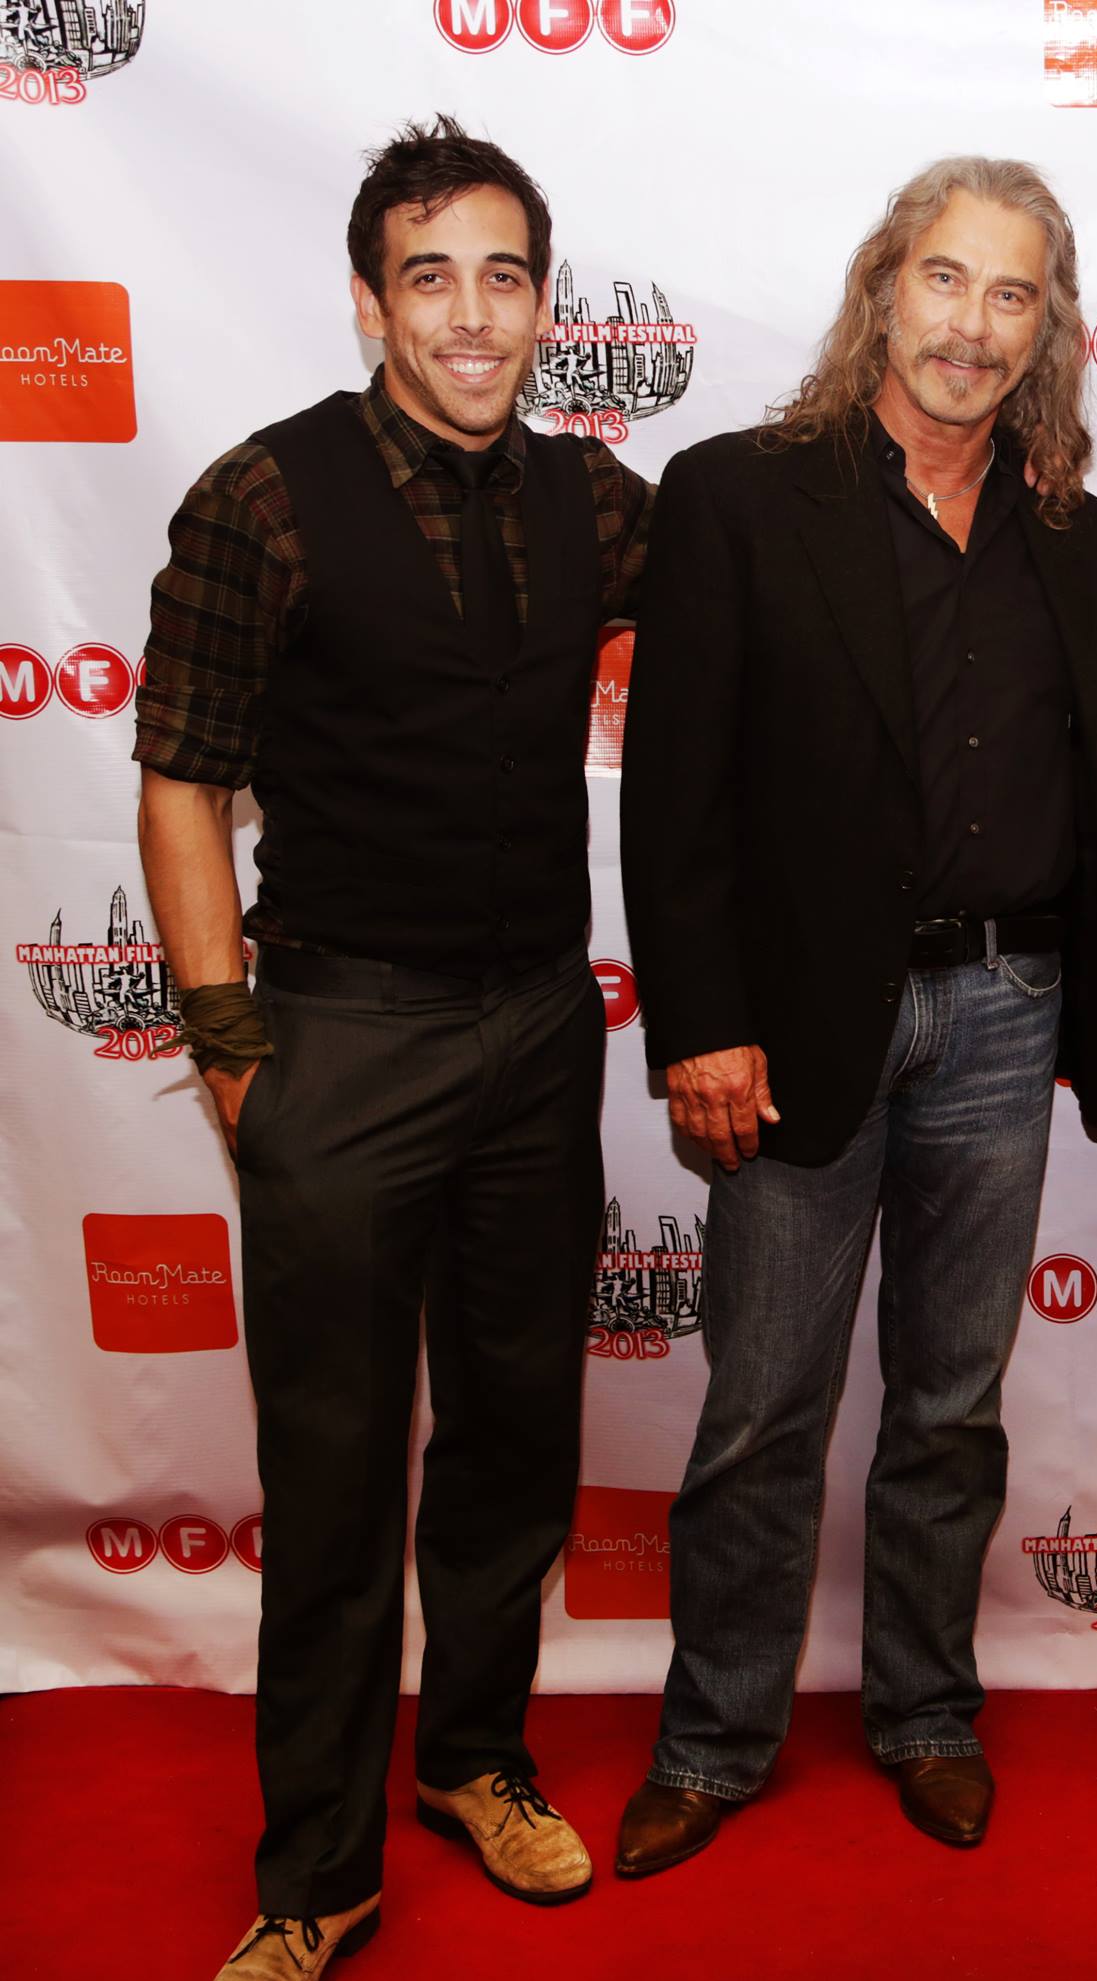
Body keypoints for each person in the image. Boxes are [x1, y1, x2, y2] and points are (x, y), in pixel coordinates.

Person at [133, 117, 652, 1977]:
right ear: (371, 299)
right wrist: (226, 1040)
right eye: (431, 275)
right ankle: (317, 1873)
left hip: (539, 1028)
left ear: (541, 301)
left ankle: (479, 1757)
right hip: (339, 1032)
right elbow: (182, 779)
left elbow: (757, 625)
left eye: (505, 275)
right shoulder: (258, 501)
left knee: (515, 1437)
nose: (473, 313)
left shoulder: (598, 502)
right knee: (340, 1473)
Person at [615, 156, 1097, 1875]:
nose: (972, 327)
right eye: (946, 282)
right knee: (762, 1400)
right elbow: (671, 797)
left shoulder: (1076, 533)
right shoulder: (740, 496)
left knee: (951, 1399)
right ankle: (714, 1733)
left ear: (1046, 325)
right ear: (882, 288)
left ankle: (925, 1711)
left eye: (1012, 295)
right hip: (793, 1024)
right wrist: (698, 1020)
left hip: (1007, 1005)